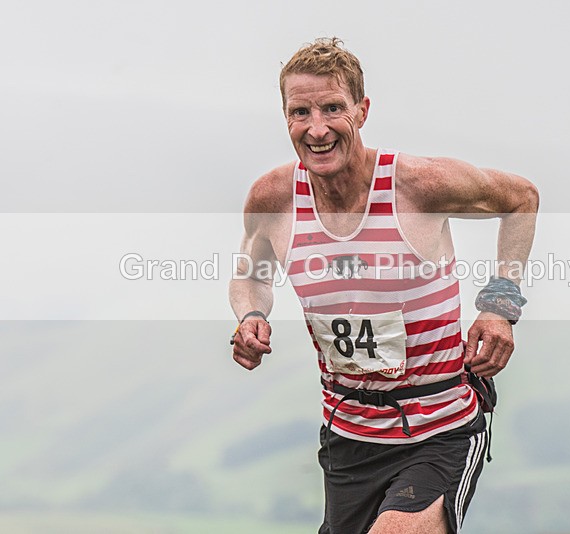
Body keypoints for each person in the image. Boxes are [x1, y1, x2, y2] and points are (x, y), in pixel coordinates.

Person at [229, 37, 539, 534]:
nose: (317, 128)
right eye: (300, 112)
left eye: (333, 108)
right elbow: (250, 274)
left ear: (362, 110)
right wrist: (251, 316)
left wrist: (500, 305)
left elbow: (522, 198)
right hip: (348, 435)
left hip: (438, 430)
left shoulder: (417, 184)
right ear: (285, 118)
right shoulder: (273, 198)